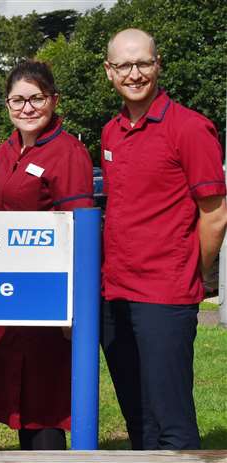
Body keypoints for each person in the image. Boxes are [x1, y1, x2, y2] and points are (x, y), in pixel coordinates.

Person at [100, 28, 227, 450]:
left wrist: (194, 272)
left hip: (165, 293)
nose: (133, 73)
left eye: (143, 63)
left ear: (158, 65)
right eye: (123, 65)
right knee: (138, 417)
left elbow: (215, 214)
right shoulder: (110, 132)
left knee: (170, 420)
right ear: (109, 72)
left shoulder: (191, 128)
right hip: (114, 292)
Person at [0, 60, 93, 450]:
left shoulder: (68, 152)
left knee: (46, 405)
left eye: (36, 99)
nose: (27, 108)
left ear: (53, 100)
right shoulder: (5, 149)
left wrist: (73, 305)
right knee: (21, 401)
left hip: (50, 295)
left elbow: (81, 231)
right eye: (17, 100)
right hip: (11, 294)